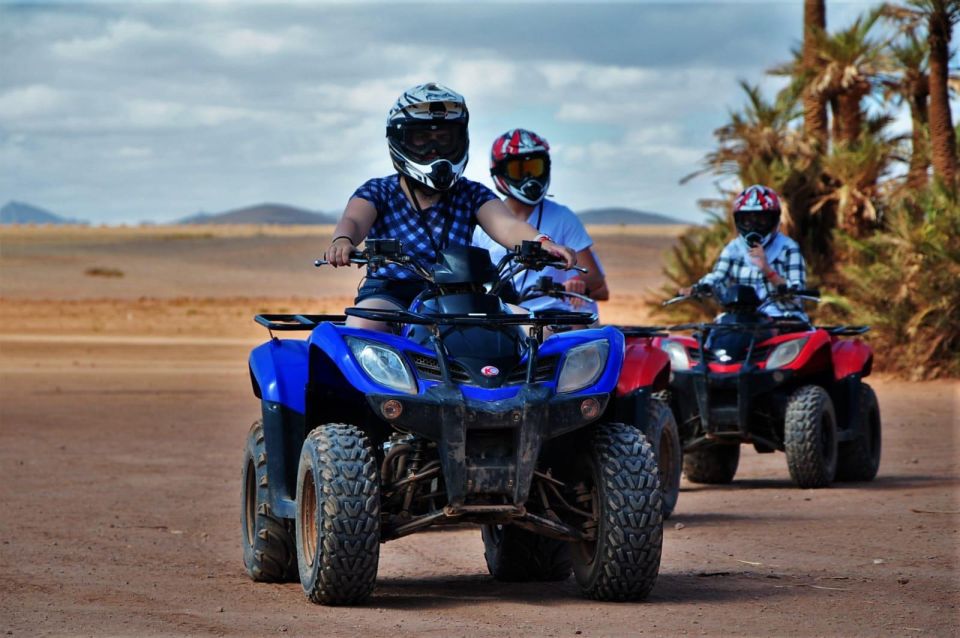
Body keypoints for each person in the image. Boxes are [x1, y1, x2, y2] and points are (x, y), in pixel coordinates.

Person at [323, 84, 577, 330]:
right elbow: (354, 219)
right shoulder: (379, 190)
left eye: (444, 139)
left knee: (535, 330)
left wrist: (542, 242)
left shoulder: (471, 193)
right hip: (391, 292)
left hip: (460, 294)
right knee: (363, 325)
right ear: (400, 140)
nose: (435, 150)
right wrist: (343, 240)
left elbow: (507, 225)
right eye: (422, 139)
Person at [472, 128, 608, 316]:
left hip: (553, 314)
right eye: (519, 170)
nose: (530, 179)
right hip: (504, 315)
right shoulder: (483, 224)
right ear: (500, 172)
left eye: (535, 168)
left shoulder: (563, 217)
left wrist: (578, 282)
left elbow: (594, 276)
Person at [679, 184, 807, 319]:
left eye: (761, 220)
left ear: (774, 220)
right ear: (738, 221)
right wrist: (700, 287)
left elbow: (798, 294)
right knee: (709, 335)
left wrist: (767, 270)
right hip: (741, 320)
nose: (753, 227)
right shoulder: (734, 248)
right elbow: (718, 275)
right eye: (747, 221)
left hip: (783, 319)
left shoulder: (788, 248)